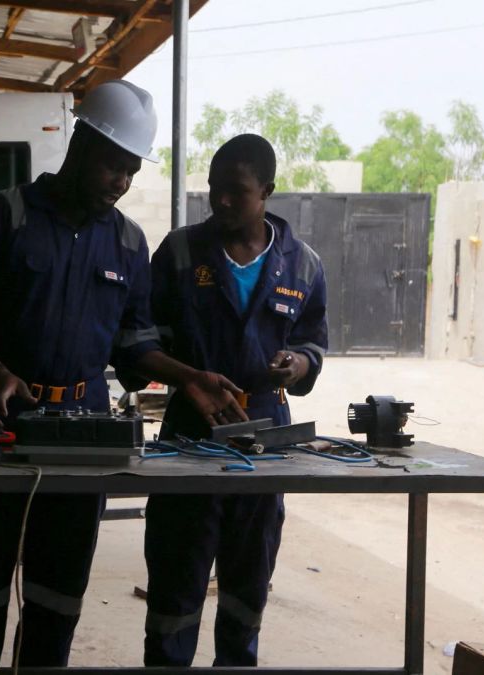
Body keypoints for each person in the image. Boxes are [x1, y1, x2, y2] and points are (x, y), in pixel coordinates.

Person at [0, 80, 246, 668]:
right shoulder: (5, 216)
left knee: (57, 598)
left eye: (132, 171)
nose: (121, 182)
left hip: (83, 439)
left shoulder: (128, 243)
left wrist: (188, 376)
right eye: (113, 166)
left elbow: (135, 346)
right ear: (81, 141)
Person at [142, 133, 329, 667]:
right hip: (190, 433)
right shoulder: (179, 252)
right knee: (175, 587)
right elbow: (141, 340)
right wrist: (186, 376)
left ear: (267, 191)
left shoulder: (304, 265)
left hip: (267, 436)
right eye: (213, 189)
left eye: (236, 192)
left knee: (248, 587)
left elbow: (314, 341)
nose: (220, 201)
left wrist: (299, 364)